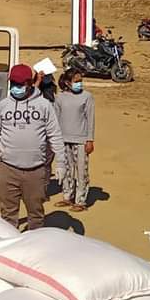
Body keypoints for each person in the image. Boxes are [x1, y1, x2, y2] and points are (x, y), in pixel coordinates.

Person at [0, 64, 66, 230]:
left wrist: (61, 162)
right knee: (7, 215)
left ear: (29, 83)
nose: (15, 87)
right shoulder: (3, 105)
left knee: (36, 214)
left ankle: (34, 244)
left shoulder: (44, 105)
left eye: (19, 84)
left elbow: (55, 135)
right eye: (13, 84)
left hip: (36, 171)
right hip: (8, 169)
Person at [54, 68, 95, 211]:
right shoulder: (60, 97)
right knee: (66, 168)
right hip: (63, 139)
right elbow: (56, 119)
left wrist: (90, 139)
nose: (79, 84)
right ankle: (67, 196)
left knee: (81, 171)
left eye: (80, 81)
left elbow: (90, 119)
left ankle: (81, 201)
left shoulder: (87, 97)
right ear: (67, 82)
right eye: (76, 81)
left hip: (81, 139)